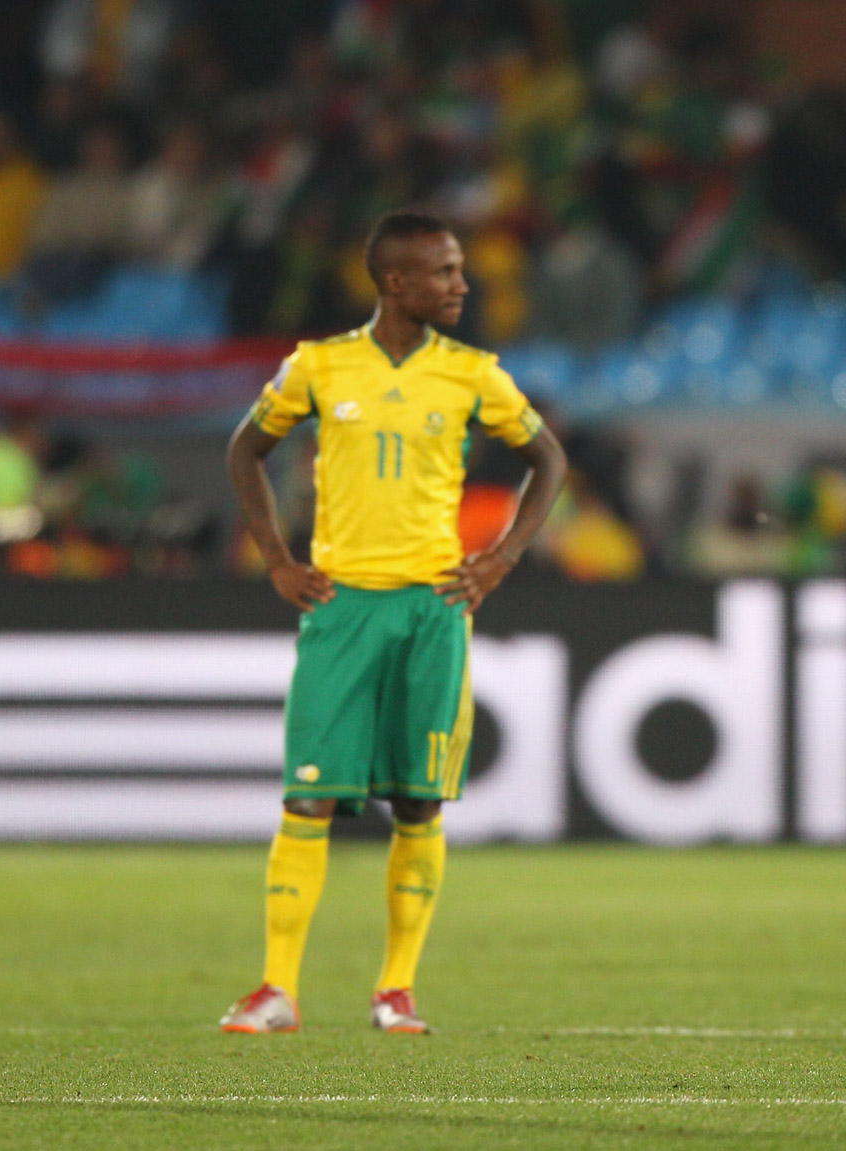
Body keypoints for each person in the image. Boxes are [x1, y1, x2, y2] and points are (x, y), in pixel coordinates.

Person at [221, 209, 567, 1034]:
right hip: (341, 606)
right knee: (307, 800)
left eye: (459, 270)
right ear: (395, 283)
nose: (462, 284)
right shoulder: (320, 365)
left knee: (418, 803)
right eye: (445, 272)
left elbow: (548, 458)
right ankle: (276, 988)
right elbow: (245, 450)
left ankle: (396, 989)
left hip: (433, 607)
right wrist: (276, 556)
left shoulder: (474, 373)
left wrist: (503, 555)